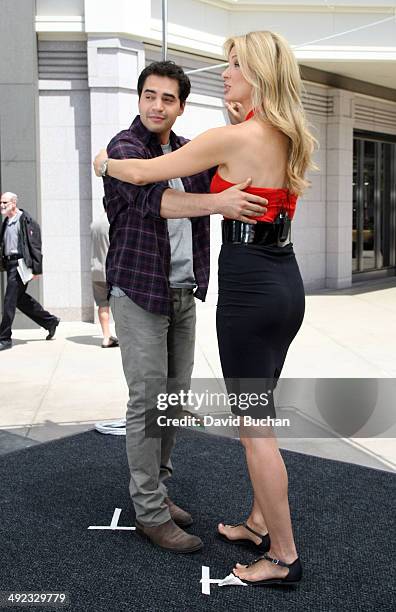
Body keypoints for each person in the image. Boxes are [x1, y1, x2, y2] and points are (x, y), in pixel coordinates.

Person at [94, 31, 316, 585]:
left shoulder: (230, 136)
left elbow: (143, 175)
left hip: (248, 294)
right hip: (283, 284)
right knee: (220, 406)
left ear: (259, 73)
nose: (226, 72)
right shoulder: (288, 135)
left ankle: (282, 556)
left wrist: (101, 163)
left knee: (254, 428)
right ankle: (259, 522)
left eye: (234, 64)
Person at [96, 61, 268, 554]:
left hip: (181, 291)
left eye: (167, 98)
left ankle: (158, 488)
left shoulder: (189, 150)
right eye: (149, 95)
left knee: (171, 404)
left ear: (181, 106)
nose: (156, 105)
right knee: (146, 402)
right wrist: (219, 205)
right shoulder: (124, 150)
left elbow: (234, 173)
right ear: (139, 99)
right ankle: (149, 512)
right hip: (138, 291)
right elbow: (158, 202)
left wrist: (239, 127)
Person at [0, 192, 60, 351]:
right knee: (20, 300)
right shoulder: (6, 221)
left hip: (21, 266)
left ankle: (4, 338)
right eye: (1, 202)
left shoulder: (25, 221)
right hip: (10, 264)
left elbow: (35, 245)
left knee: (9, 301)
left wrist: (36, 269)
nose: (2, 205)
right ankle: (50, 321)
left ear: (13, 203)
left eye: (5, 202)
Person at [90, 198, 118, 348]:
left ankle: (106, 337)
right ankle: (122, 336)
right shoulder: (114, 223)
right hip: (112, 270)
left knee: (102, 305)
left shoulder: (95, 224)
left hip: (96, 270)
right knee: (120, 304)